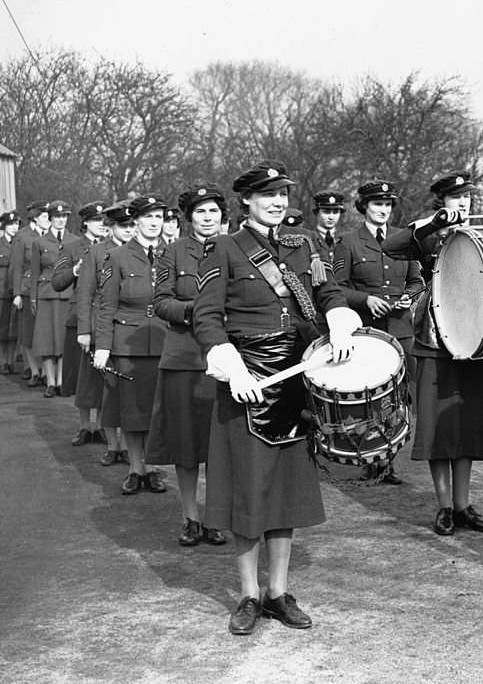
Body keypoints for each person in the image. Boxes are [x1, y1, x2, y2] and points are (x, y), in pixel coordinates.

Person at [192, 160, 358, 636]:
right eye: (268, 195)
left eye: (283, 194)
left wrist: (341, 316)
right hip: (246, 378)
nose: (278, 202)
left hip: (295, 377)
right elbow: (206, 317)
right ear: (246, 200)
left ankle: (278, 593)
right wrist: (230, 364)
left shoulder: (302, 244)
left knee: (284, 492)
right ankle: (247, 596)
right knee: (248, 489)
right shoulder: (223, 248)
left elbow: (327, 292)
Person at [381, 171, 483, 536]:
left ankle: (464, 504)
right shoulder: (428, 231)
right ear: (442, 201)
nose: (464, 202)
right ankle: (445, 505)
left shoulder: (482, 229)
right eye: (456, 197)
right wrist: (433, 223)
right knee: (438, 428)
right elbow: (390, 247)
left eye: (467, 197)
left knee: (467, 425)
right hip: (435, 339)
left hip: (475, 337)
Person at [147, 184, 229, 547]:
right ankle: (190, 518)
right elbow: (161, 302)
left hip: (226, 358)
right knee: (186, 445)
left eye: (213, 211)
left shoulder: (236, 249)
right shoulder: (173, 253)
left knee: (219, 446)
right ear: (188, 217)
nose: (208, 218)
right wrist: (197, 311)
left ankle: (215, 517)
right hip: (184, 358)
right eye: (200, 212)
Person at [334, 179, 424, 484]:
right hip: (367, 331)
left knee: (400, 396)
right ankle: (370, 457)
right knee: (369, 396)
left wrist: (409, 297)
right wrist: (366, 299)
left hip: (400, 331)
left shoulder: (404, 239)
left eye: (387, 205)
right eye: (377, 204)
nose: (383, 210)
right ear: (364, 207)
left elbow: (417, 281)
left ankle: (390, 459)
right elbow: (338, 288)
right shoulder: (348, 242)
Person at [92, 196, 169, 495]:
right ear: (135, 221)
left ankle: (153, 467)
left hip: (164, 342)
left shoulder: (170, 254)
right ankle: (137, 469)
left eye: (159, 217)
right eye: (148, 217)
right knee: (134, 412)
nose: (154, 223)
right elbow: (106, 305)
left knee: (156, 411)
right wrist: (103, 347)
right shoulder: (117, 256)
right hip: (128, 346)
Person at [81, 201, 135, 465]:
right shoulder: (97, 252)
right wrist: (84, 331)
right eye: (123, 225)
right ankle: (113, 445)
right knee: (109, 391)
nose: (129, 230)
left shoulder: (142, 250)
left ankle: (129, 446)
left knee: (131, 391)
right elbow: (85, 293)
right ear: (111, 227)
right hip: (104, 325)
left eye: (132, 225)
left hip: (132, 330)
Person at [52, 201, 109, 445]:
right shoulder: (72, 247)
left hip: (106, 317)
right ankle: (86, 426)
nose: (102, 225)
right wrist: (75, 271)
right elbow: (57, 282)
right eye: (97, 221)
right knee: (82, 378)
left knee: (105, 376)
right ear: (85, 222)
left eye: (105, 221)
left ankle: (105, 425)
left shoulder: (114, 246)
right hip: (80, 317)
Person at [30, 200, 78, 398]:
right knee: (47, 341)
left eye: (64, 217)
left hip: (68, 296)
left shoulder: (75, 241)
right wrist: (33, 298)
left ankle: (61, 381)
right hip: (47, 295)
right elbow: (34, 273)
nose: (61, 220)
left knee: (63, 341)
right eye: (57, 217)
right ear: (50, 219)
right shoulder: (39, 242)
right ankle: (50, 381)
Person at [11, 200, 49, 387]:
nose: (48, 220)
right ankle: (34, 371)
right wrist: (16, 293)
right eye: (44, 216)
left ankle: (44, 370)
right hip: (27, 290)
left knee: (43, 332)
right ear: (35, 218)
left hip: (46, 290)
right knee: (28, 333)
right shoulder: (22, 236)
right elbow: (16, 267)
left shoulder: (51, 236)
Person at [0, 211, 21, 375]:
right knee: (2, 328)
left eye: (16, 224)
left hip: (15, 291)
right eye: (11, 225)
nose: (14, 228)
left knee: (14, 329)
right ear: (4, 226)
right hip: (1, 293)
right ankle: (2, 361)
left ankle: (11, 361)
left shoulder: (19, 243)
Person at [311, 189, 345, 275]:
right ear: (316, 213)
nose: (331, 217)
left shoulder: (346, 239)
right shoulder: (309, 239)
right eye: (326, 212)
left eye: (336, 212)